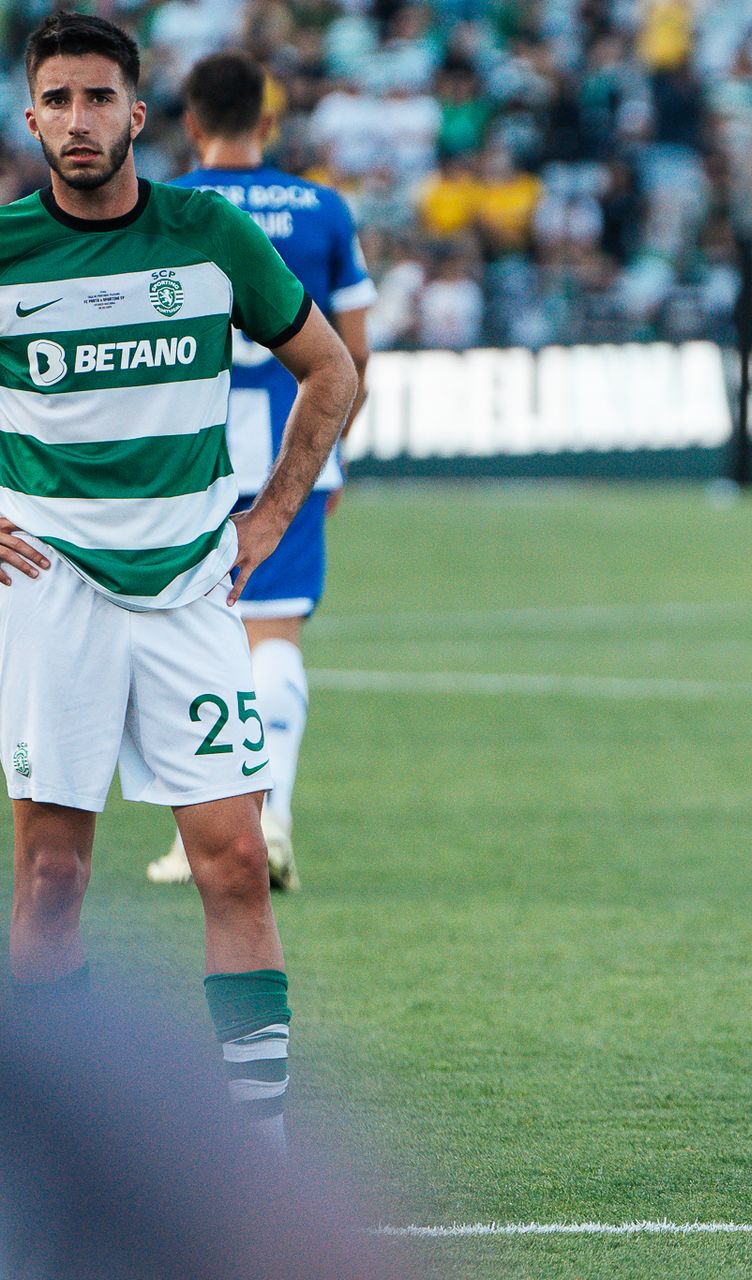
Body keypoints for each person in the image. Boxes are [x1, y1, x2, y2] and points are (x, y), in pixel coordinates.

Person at [0, 13, 358, 1148]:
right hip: (50, 593)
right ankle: (48, 1150)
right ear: (30, 117)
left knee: (238, 860)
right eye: (56, 99)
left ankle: (258, 1155)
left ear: (140, 115)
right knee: (53, 877)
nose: (78, 120)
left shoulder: (205, 235)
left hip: (192, 590)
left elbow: (331, 371)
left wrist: (274, 514)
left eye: (98, 98)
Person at [148, 51, 374, 891]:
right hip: (289, 452)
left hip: (185, 456)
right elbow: (351, 351)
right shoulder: (320, 210)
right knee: (272, 634)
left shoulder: (167, 209)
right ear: (269, 122)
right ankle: (269, 816)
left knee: (177, 639)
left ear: (191, 125)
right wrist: (334, 448)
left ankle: (198, 831)